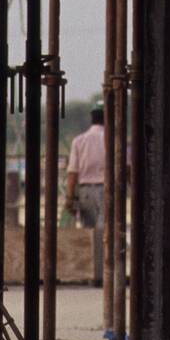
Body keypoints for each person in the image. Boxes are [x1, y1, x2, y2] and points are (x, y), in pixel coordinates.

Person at [64, 103, 106, 288]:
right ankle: (104, 273)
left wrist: (69, 197)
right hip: (107, 190)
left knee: (89, 232)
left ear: (92, 119)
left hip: (85, 191)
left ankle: (92, 274)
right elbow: (127, 168)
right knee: (105, 230)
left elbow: (72, 172)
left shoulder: (79, 141)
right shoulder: (113, 139)